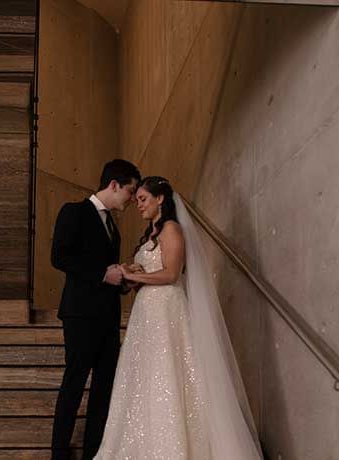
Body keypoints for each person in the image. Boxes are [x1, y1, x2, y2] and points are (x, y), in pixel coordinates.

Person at [94, 176, 263, 459]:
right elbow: (152, 273)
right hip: (146, 312)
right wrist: (130, 273)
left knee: (168, 371)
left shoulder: (171, 229)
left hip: (166, 309)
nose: (139, 205)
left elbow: (172, 273)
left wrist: (135, 274)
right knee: (143, 377)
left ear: (161, 199)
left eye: (143, 199)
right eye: (136, 201)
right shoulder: (150, 234)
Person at [50, 159, 141, 460]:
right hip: (80, 314)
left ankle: (93, 452)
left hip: (108, 317)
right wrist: (103, 273)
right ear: (114, 185)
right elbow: (59, 257)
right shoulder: (73, 212)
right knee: (74, 382)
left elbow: (109, 273)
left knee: (104, 388)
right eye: (130, 191)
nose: (131, 198)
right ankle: (59, 453)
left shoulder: (113, 228)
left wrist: (124, 280)